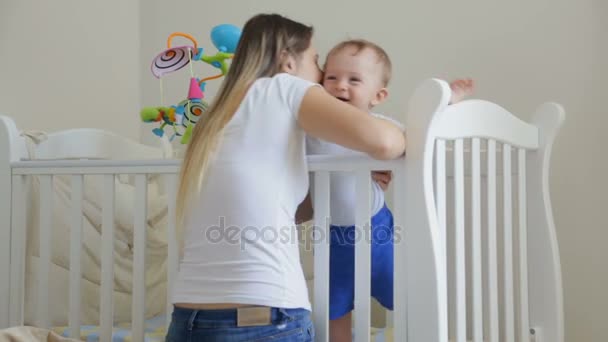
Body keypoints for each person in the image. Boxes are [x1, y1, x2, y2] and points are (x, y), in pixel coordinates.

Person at [165, 14, 406, 342]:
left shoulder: (215, 116)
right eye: (316, 60)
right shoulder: (282, 86)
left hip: (188, 320)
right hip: (265, 317)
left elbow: (294, 211)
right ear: (288, 62)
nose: (322, 75)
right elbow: (385, 141)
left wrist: (352, 165)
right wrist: (404, 143)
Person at [301, 39, 473, 342]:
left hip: (378, 232)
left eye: (354, 80)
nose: (340, 86)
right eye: (331, 78)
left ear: (378, 95)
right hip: (331, 239)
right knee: (332, 308)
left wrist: (448, 101)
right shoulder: (312, 126)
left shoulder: (377, 126)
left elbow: (418, 134)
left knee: (407, 297)